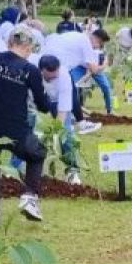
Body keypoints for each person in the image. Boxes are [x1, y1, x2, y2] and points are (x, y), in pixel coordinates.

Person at [0, 28, 50, 229]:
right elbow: (42, 104)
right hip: (15, 128)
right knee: (37, 154)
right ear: (28, 46)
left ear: (8, 43)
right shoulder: (29, 69)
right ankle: (29, 197)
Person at [43, 28, 108, 132]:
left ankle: (64, 124)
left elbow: (82, 62)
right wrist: (104, 65)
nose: (96, 48)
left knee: (57, 96)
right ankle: (78, 124)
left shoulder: (77, 36)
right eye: (99, 45)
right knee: (69, 92)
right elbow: (94, 69)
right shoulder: (86, 42)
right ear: (97, 40)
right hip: (57, 64)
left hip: (46, 61)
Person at [37, 55, 83, 185]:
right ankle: (14, 171)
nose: (53, 78)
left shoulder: (64, 78)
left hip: (58, 100)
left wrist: (55, 134)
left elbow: (63, 111)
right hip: (38, 96)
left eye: (55, 75)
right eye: (50, 76)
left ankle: (72, 171)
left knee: (66, 134)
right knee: (26, 130)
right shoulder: (32, 71)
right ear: (41, 71)